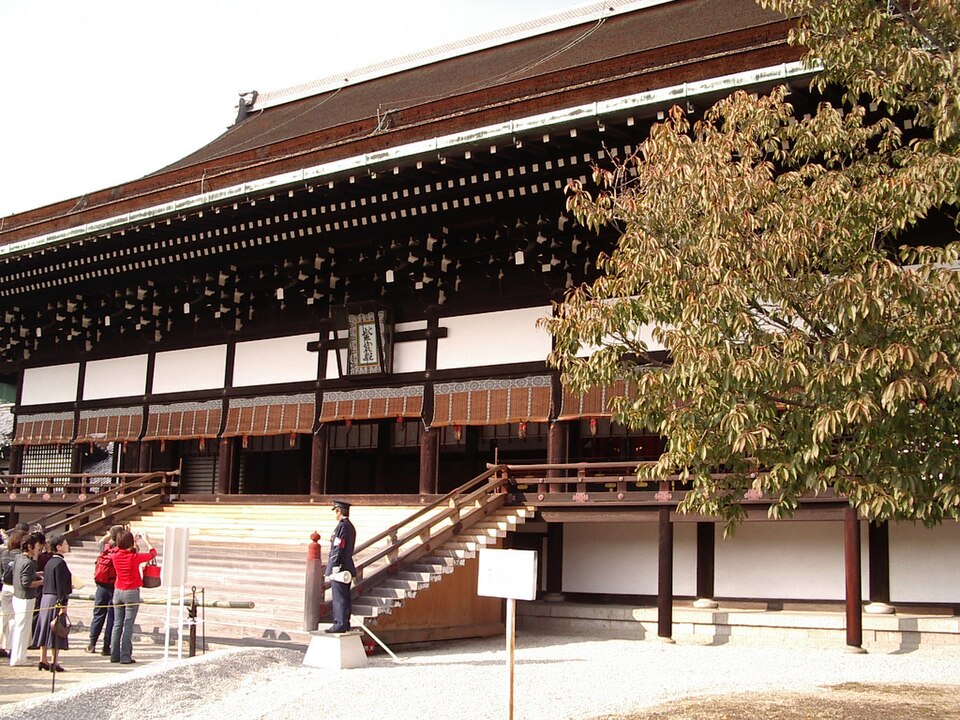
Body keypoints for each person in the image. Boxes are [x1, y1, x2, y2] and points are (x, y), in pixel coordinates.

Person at [110, 529, 155, 664]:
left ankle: (114, 655)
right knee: (128, 624)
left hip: (117, 591)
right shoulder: (134, 557)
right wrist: (147, 541)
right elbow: (153, 554)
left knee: (117, 624)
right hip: (131, 591)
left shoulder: (115, 556)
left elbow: (116, 548)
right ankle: (125, 656)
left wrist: (131, 541)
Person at [34, 533, 72, 672]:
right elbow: (62, 586)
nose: (67, 546)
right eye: (65, 544)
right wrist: (63, 604)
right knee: (56, 629)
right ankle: (54, 661)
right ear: (59, 547)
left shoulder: (50, 561)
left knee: (44, 628)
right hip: (55, 598)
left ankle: (42, 659)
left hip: (45, 597)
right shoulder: (60, 563)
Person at [87, 525, 123, 656]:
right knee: (112, 617)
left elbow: (101, 541)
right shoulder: (122, 550)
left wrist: (109, 534)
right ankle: (106, 646)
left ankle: (92, 643)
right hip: (115, 586)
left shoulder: (105, 548)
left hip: (101, 586)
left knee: (98, 614)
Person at [10, 532, 44, 667]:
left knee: (20, 628)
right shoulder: (28, 563)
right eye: (36, 546)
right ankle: (19, 658)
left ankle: (19, 655)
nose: (38, 548)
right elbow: (27, 583)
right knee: (22, 629)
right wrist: (42, 582)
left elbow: (22, 575)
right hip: (25, 598)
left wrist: (35, 574)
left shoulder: (18, 557)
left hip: (17, 596)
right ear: (30, 546)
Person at [324, 499, 357, 634]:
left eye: (336, 511)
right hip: (346, 564)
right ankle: (344, 622)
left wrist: (334, 565)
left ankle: (340, 623)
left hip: (341, 565)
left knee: (339, 596)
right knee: (344, 595)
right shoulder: (349, 526)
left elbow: (339, 546)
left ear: (338, 510)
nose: (335, 514)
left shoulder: (342, 526)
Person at [0, 529, 26, 660]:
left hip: (5, 586)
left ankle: (1, 645)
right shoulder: (21, 556)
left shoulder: (4, 553)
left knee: (4, 618)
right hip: (17, 588)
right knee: (17, 620)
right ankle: (12, 647)